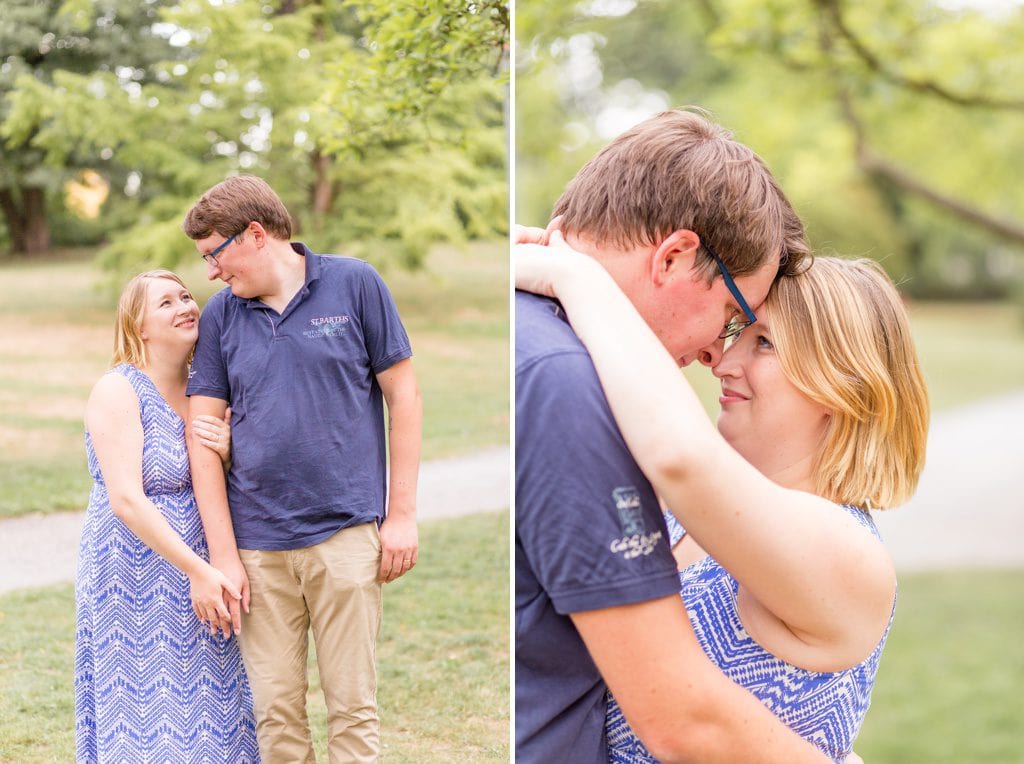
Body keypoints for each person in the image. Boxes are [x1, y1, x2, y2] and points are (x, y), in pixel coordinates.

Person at [516, 242, 929, 762]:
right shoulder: (677, 515)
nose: (724, 361)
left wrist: (578, 277)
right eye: (738, 333)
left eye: (764, 344)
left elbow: (681, 453)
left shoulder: (849, 554)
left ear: (841, 380)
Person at [515, 107, 838, 763]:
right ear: (674, 257)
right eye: (730, 317)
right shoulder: (573, 384)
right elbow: (683, 722)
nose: (713, 355)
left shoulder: (532, 329)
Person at [183, 175, 422, 763]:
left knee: (352, 709)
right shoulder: (220, 316)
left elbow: (406, 398)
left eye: (214, 254)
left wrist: (401, 517)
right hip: (258, 549)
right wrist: (222, 556)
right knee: (276, 713)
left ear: (256, 234)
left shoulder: (355, 283)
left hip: (344, 535)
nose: (211, 272)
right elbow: (202, 435)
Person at [75, 270, 258, 762]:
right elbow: (127, 500)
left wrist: (230, 450)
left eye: (185, 295)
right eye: (165, 303)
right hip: (132, 569)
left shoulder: (208, 385)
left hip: (204, 559)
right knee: (142, 705)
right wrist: (199, 571)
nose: (184, 306)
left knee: (214, 697)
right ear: (139, 326)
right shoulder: (118, 390)